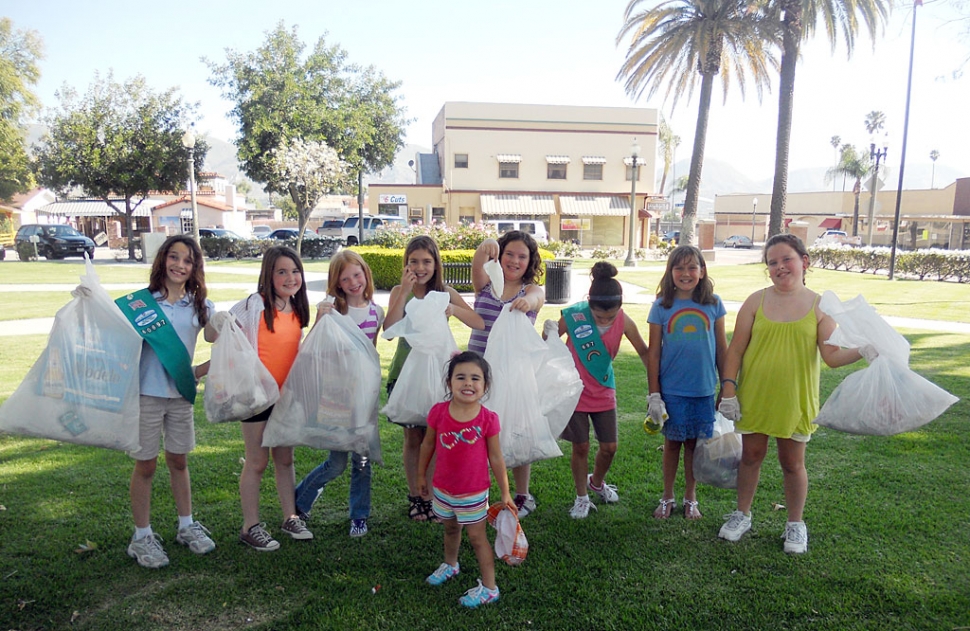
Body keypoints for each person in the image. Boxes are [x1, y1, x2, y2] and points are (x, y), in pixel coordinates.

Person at [717, 234, 865, 554]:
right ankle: (742, 514)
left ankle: (795, 524)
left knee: (792, 463)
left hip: (796, 399)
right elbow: (736, 349)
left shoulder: (820, 306)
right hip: (756, 395)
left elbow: (832, 357)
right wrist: (728, 388)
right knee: (751, 456)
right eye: (772, 262)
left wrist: (864, 349)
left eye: (787, 259)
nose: (780, 267)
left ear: (804, 261)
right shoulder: (755, 301)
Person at [114, 235, 218, 569]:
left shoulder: (199, 305)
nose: (179, 265)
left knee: (179, 461)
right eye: (174, 257)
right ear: (163, 260)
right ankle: (141, 535)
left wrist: (201, 370)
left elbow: (219, 337)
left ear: (194, 268)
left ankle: (186, 526)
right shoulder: (142, 304)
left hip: (180, 396)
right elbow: (114, 338)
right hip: (146, 395)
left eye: (187, 261)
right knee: (146, 463)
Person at [384, 235, 485, 522]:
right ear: (405, 264)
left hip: (440, 377)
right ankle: (417, 496)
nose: (420, 267)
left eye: (426, 261)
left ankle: (433, 495)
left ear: (436, 264)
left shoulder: (444, 292)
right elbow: (389, 329)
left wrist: (455, 310)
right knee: (413, 438)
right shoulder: (400, 291)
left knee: (438, 437)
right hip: (406, 374)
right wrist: (403, 292)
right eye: (413, 261)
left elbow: (478, 321)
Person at [546, 262, 649, 519]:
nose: (604, 320)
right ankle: (581, 497)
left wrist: (656, 389)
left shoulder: (625, 322)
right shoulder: (573, 316)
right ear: (588, 304)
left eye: (610, 317)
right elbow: (547, 345)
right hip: (574, 390)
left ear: (620, 308)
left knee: (610, 447)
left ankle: (596, 482)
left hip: (603, 389)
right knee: (580, 446)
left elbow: (645, 352)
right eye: (599, 316)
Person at [229, 246, 313, 551]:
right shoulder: (254, 306)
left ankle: (290, 516)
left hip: (285, 398)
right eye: (282, 271)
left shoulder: (298, 310)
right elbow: (224, 331)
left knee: (284, 458)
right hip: (256, 397)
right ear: (269, 275)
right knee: (257, 461)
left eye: (295, 271)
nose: (291, 277)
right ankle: (250, 526)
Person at [417, 351, 516, 608]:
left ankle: (490, 587)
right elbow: (428, 445)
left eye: (475, 378)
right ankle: (450, 564)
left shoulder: (487, 419)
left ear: (485, 386)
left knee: (477, 538)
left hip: (472, 493)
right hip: (442, 489)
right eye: (460, 377)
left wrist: (505, 493)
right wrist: (420, 475)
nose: (468, 383)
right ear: (449, 383)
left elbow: (496, 458)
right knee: (450, 528)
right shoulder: (438, 412)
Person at [295, 250, 383, 538]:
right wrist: (321, 317)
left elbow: (372, 351)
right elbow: (312, 347)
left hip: (364, 398)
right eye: (345, 279)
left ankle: (359, 515)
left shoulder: (375, 311)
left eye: (357, 275)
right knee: (336, 463)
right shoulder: (334, 310)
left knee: (362, 461)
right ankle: (300, 499)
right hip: (337, 397)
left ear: (365, 273)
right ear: (337, 283)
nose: (353, 282)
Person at [646, 245, 728, 520]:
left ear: (702, 271)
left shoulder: (714, 304)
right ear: (670, 272)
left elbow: (722, 350)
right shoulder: (661, 306)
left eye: (692, 267)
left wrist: (727, 388)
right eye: (678, 267)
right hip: (672, 390)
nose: (685, 273)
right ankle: (667, 495)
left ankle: (690, 497)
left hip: (703, 389)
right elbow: (654, 352)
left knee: (695, 445)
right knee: (672, 444)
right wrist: (654, 394)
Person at [470, 230, 545, 517]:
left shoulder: (531, 291)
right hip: (479, 372)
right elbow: (478, 264)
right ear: (499, 257)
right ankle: (479, 492)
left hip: (514, 373)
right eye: (508, 254)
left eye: (522, 257)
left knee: (515, 432)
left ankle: (523, 494)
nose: (514, 261)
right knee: (479, 431)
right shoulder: (486, 284)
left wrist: (529, 303)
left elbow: (538, 298)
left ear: (530, 261)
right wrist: (484, 246)